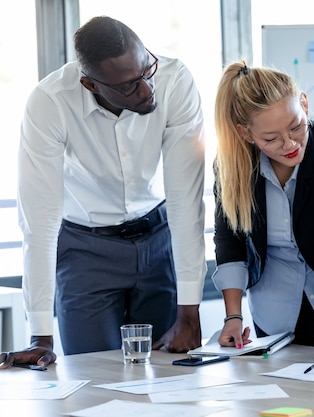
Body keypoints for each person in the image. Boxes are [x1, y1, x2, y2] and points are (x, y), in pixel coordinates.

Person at [0, 16, 207, 368]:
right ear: (90, 84)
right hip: (85, 251)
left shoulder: (174, 80)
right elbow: (40, 220)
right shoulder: (50, 102)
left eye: (146, 71)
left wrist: (190, 312)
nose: (146, 90)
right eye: (128, 86)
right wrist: (40, 335)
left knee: (166, 377)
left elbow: (185, 199)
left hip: (157, 240)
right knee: (93, 373)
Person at [211, 61, 314, 354]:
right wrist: (233, 317)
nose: (289, 144)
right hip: (272, 307)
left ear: (305, 104)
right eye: (271, 139)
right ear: (246, 133)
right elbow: (230, 243)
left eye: (296, 126)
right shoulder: (233, 166)